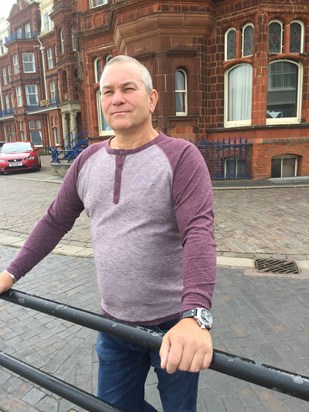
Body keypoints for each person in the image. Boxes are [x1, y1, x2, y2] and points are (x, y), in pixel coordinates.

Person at [0, 55, 216, 411]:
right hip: (114, 325)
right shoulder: (87, 160)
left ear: (151, 99)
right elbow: (55, 220)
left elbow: (199, 232)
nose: (116, 98)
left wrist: (196, 314)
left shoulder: (181, 157)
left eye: (128, 88)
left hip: (173, 326)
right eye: (108, 91)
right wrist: (11, 271)